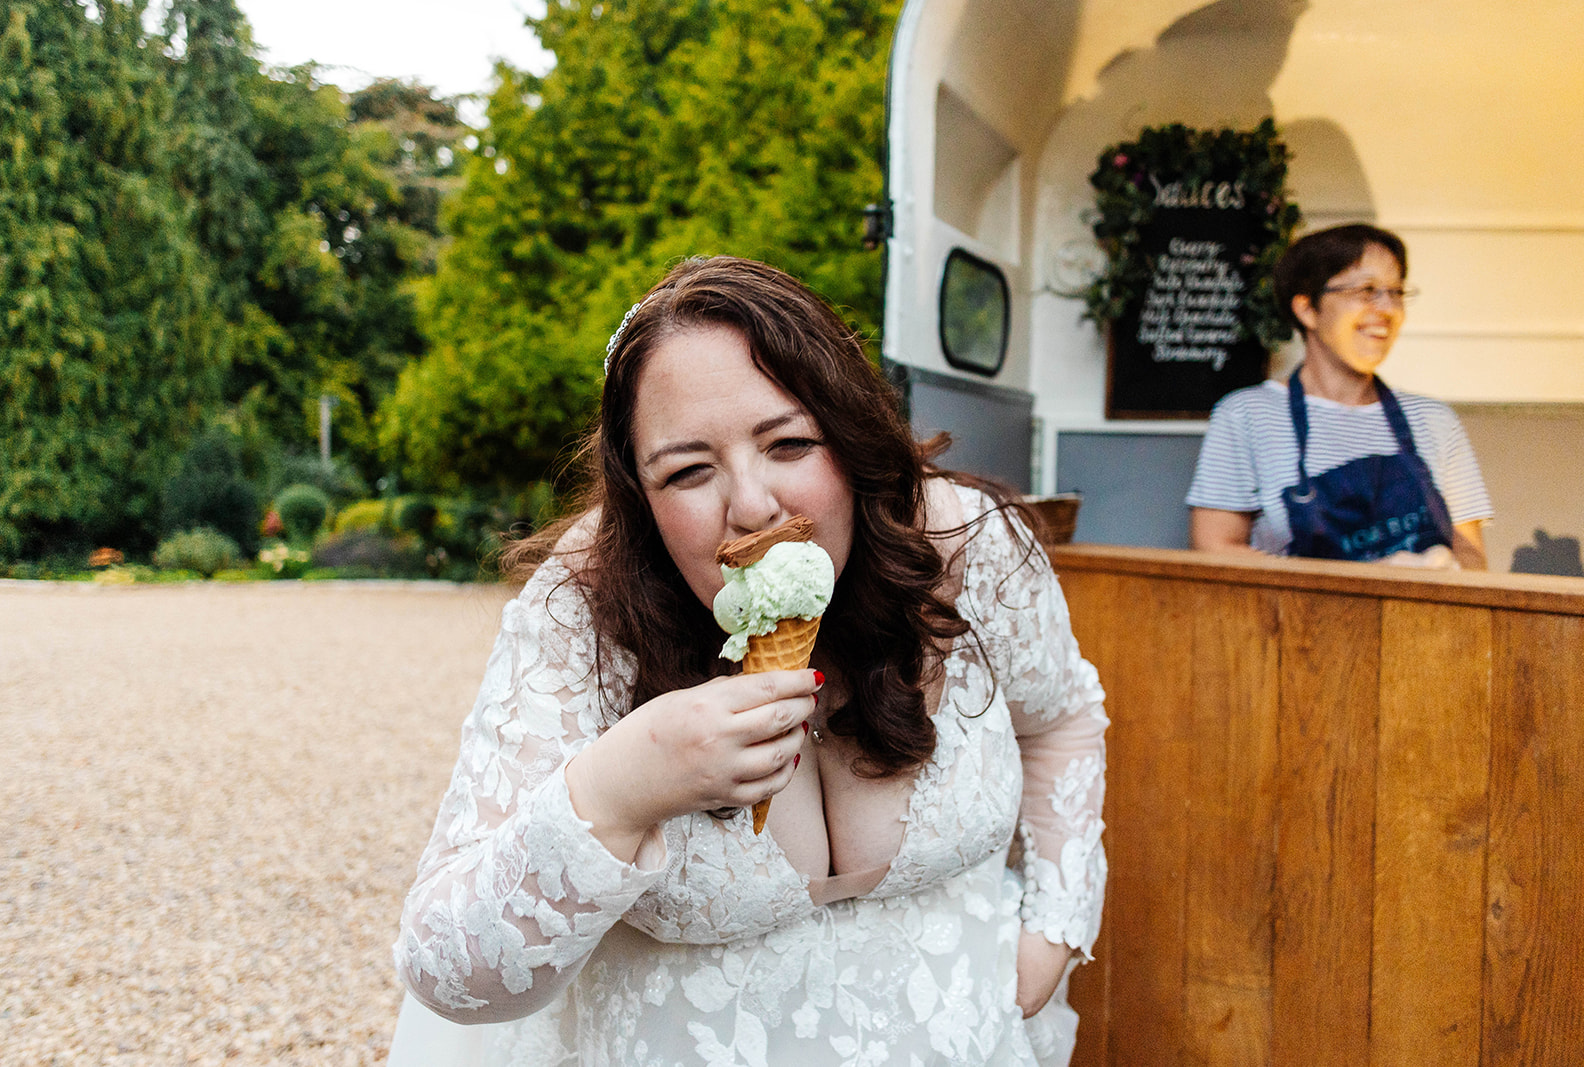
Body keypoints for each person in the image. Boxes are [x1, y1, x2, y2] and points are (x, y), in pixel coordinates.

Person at [389, 256, 1109, 1066]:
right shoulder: (582, 612)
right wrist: (623, 785)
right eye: (688, 470)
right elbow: (447, 971)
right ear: (639, 495)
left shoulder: (968, 548)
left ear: (852, 434)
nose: (753, 505)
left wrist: (1056, 924)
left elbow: (1061, 719)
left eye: (790, 442)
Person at [1187, 223, 1493, 569]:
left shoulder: (1435, 421)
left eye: (1396, 292)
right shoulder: (1246, 415)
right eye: (1366, 290)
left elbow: (1472, 558)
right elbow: (1213, 548)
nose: (1387, 309)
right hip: (1296, 621)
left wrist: (1442, 569)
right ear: (1307, 310)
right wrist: (1356, 582)